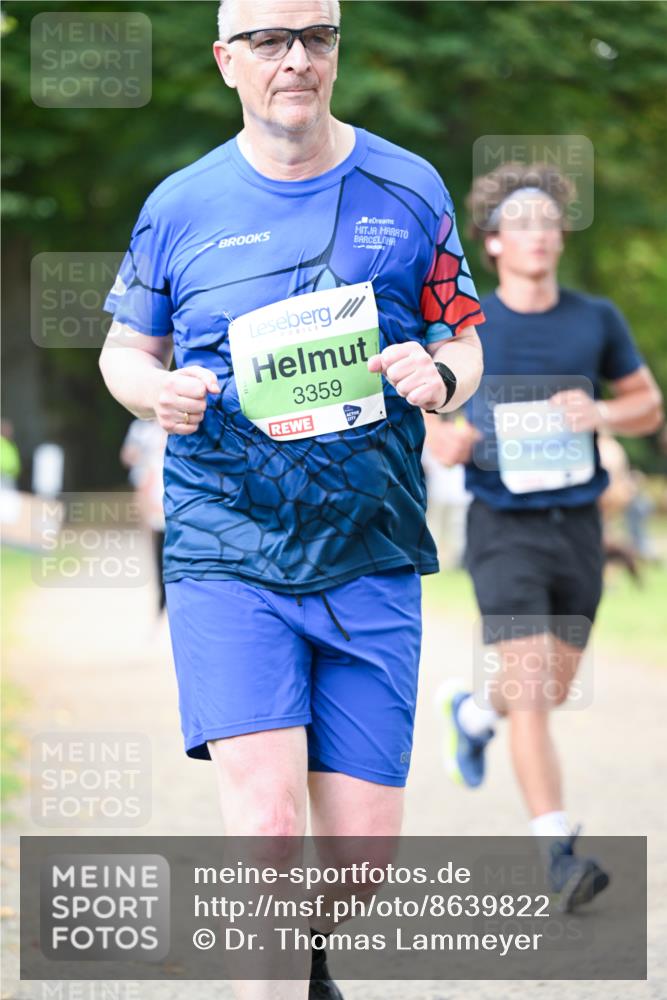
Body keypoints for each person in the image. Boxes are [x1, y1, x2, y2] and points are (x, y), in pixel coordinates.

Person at [98, 2, 484, 996]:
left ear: (337, 48)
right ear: (229, 60)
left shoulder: (408, 186)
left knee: (359, 862)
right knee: (266, 830)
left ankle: (304, 959)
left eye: (317, 36)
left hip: (371, 545)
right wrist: (158, 390)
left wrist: (440, 379)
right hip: (228, 546)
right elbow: (122, 352)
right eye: (271, 40)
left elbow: (463, 337)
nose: (297, 59)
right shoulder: (178, 205)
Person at [427, 161, 663, 912]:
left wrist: (601, 416)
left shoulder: (594, 320)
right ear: (492, 242)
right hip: (501, 525)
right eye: (518, 223)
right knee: (530, 689)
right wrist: (443, 439)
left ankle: (469, 712)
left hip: (578, 528)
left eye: (547, 222)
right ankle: (558, 853)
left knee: (547, 688)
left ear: (559, 237)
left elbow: (647, 408)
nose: (536, 234)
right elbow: (424, 411)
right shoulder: (471, 327)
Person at [120, 418, 168, 614]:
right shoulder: (140, 428)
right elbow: (127, 455)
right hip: (145, 482)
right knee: (153, 531)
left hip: (164, 482)